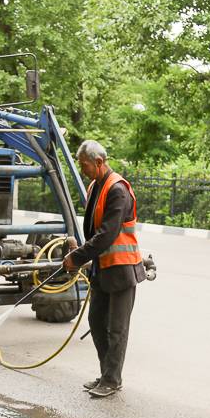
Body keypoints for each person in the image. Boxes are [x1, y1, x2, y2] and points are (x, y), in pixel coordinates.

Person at [62, 140, 145, 398]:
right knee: (96, 322)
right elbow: (93, 230)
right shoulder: (95, 185)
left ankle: (112, 379)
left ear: (98, 162)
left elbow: (107, 234)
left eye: (84, 164)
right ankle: (105, 375)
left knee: (116, 328)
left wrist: (76, 257)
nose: (82, 169)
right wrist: (83, 257)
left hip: (121, 270)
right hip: (101, 268)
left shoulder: (117, 190)